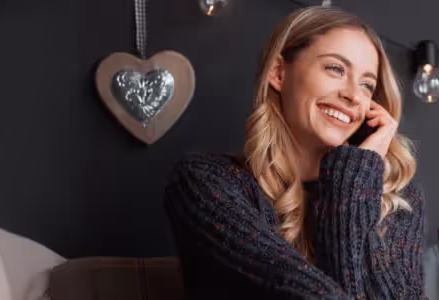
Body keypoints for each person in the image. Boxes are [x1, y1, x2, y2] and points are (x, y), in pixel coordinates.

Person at [163, 6, 425, 299]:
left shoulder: (396, 197)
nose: (353, 95)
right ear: (278, 72)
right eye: (335, 69)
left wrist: (355, 178)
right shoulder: (205, 184)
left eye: (367, 85)